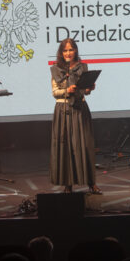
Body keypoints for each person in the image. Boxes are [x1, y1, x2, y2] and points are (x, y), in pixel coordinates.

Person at [49, 38, 101, 194]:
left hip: (80, 109)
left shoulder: (82, 67)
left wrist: (89, 88)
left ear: (75, 51)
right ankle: (68, 185)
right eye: (65, 50)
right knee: (66, 147)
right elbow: (55, 92)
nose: (68, 53)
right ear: (61, 52)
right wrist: (67, 91)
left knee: (85, 146)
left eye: (71, 50)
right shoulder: (56, 69)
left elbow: (85, 91)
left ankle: (91, 183)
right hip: (63, 110)